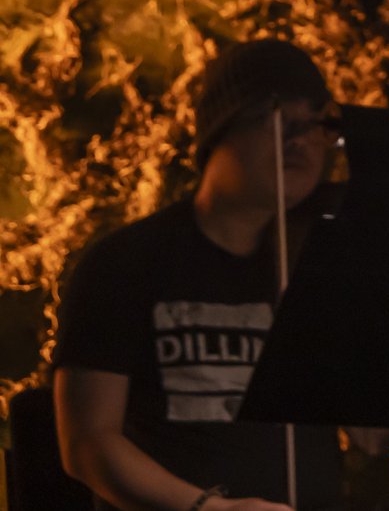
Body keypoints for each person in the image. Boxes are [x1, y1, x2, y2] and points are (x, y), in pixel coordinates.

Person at [53, 38, 344, 511]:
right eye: (276, 120)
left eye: (316, 125)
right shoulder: (125, 263)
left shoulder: (325, 269)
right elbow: (88, 444)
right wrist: (210, 510)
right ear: (219, 133)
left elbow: (374, 436)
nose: (300, 140)